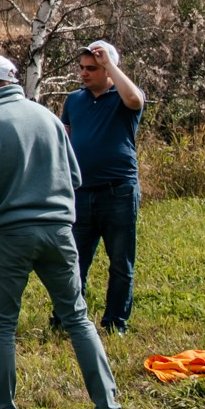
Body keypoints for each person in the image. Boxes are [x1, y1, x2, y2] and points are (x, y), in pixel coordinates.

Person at [0, 51, 128, 409]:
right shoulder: (48, 117)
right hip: (60, 232)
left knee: (3, 325)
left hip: (11, 238)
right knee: (78, 319)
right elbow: (74, 176)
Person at [64, 40, 146, 334]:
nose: (84, 74)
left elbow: (135, 100)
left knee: (121, 264)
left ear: (109, 70)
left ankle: (115, 323)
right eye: (82, 68)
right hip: (81, 192)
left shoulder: (123, 98)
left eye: (93, 68)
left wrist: (110, 63)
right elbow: (66, 140)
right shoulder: (74, 100)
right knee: (74, 261)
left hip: (119, 192)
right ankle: (68, 318)